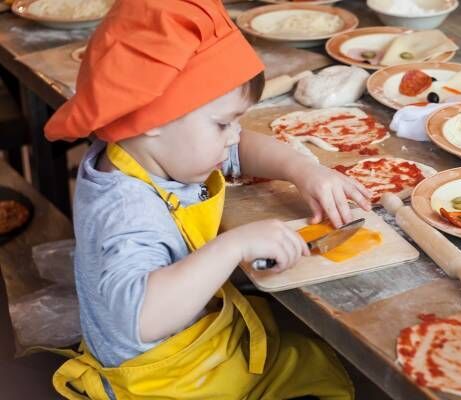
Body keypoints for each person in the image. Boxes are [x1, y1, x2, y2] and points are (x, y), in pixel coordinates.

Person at [44, 0, 372, 398]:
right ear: (152, 119)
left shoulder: (157, 150)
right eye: (223, 123)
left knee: (316, 364)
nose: (235, 135)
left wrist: (305, 171)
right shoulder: (125, 208)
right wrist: (235, 245)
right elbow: (139, 318)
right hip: (164, 382)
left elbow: (242, 148)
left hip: (197, 347)